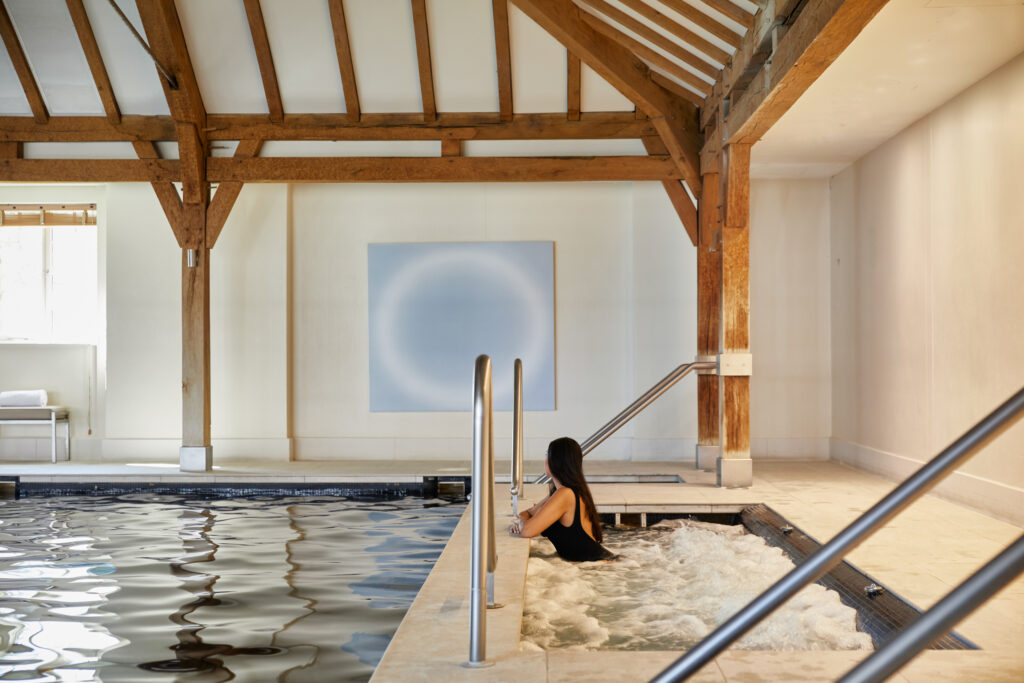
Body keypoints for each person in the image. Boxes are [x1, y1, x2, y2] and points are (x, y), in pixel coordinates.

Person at [510, 436, 614, 562]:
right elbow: (527, 513)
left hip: (598, 565)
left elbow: (527, 530)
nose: (545, 460)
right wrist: (522, 521)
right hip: (593, 565)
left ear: (556, 461)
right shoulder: (560, 492)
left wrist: (522, 524)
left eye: (547, 455)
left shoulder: (565, 495)